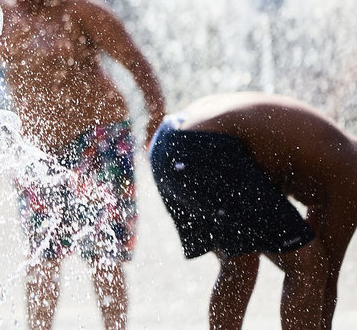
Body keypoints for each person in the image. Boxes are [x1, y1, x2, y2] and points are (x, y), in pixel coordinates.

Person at [0, 0, 166, 330]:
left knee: (104, 254)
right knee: (42, 255)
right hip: (36, 149)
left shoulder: (83, 10)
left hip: (99, 140)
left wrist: (155, 120)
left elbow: (138, 66)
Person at [150, 92, 357, 330]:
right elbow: (326, 273)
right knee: (309, 266)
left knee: (240, 262)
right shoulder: (351, 174)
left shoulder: (340, 155)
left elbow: (315, 245)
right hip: (202, 147)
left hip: (168, 143)